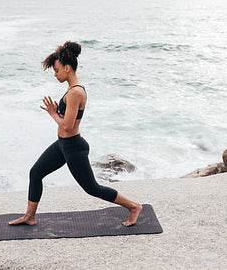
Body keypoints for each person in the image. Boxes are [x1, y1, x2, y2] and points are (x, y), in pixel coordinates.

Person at [9, 41, 143, 227]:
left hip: (73, 146)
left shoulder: (75, 93)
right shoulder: (71, 91)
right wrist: (57, 112)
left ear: (67, 68)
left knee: (92, 188)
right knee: (36, 173)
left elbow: (68, 126)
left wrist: (52, 113)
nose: (55, 75)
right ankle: (30, 216)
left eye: (56, 70)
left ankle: (133, 206)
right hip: (62, 145)